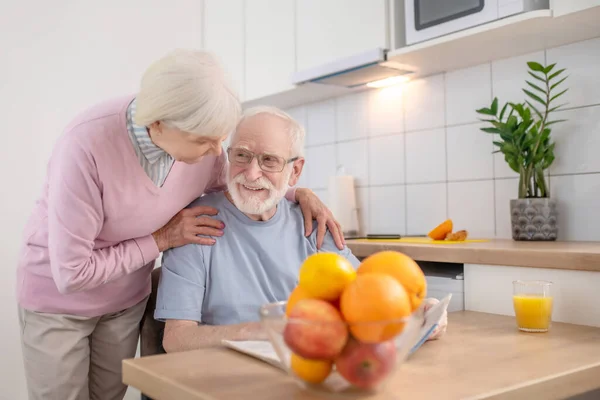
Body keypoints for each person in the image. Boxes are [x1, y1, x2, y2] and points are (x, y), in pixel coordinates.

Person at [15, 50, 343, 400]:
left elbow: (241, 181)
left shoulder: (201, 147)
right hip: (59, 301)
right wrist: (161, 239)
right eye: (206, 140)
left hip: (125, 300)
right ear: (158, 125)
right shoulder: (85, 145)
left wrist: (297, 192)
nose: (218, 150)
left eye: (220, 138)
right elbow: (72, 273)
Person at [154, 106, 447, 353]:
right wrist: (263, 330)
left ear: (295, 171)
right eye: (241, 155)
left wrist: (422, 311)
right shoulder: (195, 224)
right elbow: (176, 339)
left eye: (269, 160)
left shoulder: (314, 224)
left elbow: (371, 297)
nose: (252, 173)